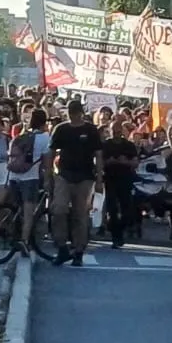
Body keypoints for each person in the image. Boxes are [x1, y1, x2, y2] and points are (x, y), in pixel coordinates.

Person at [48, 99, 103, 267]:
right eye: (71, 113)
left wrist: (100, 178)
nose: (74, 117)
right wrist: (49, 175)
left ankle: (79, 250)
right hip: (64, 175)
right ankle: (62, 247)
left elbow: (98, 154)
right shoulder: (61, 129)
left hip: (85, 176)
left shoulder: (90, 130)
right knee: (59, 209)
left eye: (76, 113)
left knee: (80, 214)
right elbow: (51, 152)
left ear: (81, 113)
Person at [101, 119, 139, 248]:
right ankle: (116, 237)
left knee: (126, 210)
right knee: (112, 209)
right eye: (113, 131)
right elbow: (99, 162)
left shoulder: (129, 145)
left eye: (118, 131)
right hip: (110, 179)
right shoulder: (105, 145)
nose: (116, 133)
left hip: (125, 180)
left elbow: (135, 162)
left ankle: (122, 229)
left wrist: (125, 162)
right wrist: (109, 162)